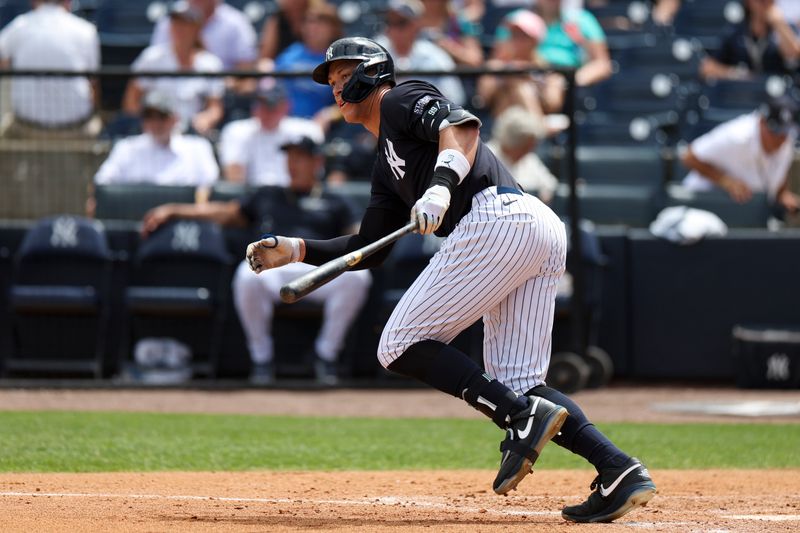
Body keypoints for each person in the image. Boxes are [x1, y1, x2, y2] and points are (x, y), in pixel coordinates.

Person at [245, 36, 656, 523]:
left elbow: (462, 127)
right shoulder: (386, 162)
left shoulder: (398, 98)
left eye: (343, 76)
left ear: (373, 73)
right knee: (519, 381)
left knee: (397, 343)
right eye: (331, 81)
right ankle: (616, 468)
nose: (336, 88)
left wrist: (440, 189)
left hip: (498, 217)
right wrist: (294, 251)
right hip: (530, 228)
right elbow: (368, 249)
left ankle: (520, 418)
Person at [142, 133, 371, 385]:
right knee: (246, 274)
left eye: (300, 158)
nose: (292, 164)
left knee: (359, 275)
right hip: (275, 267)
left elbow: (358, 236)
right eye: (289, 157)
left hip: (318, 269)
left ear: (317, 162)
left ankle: (325, 354)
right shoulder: (269, 195)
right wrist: (173, 210)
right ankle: (261, 358)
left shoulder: (335, 199)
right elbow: (226, 213)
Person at [88, 90, 219, 216]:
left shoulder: (197, 148)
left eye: (161, 117)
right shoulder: (127, 148)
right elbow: (101, 182)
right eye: (149, 117)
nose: (155, 123)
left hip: (182, 225)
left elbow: (210, 186)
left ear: (175, 118)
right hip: (135, 221)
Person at [682, 94, 800, 215]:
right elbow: (689, 157)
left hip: (749, 213)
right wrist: (726, 181)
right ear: (762, 122)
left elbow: (779, 173)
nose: (781, 139)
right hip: (703, 208)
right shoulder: (737, 136)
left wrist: (782, 195)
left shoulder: (786, 141)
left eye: (785, 133)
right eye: (777, 133)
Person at [0, 0, 101, 139]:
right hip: (72, 127)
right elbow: (93, 83)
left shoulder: (19, 26)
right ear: (68, 2)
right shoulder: (86, 30)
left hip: (33, 127)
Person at [123, 1, 225, 136]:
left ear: (196, 28)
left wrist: (205, 118)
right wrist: (150, 122)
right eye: (176, 23)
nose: (179, 29)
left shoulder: (210, 63)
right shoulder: (152, 58)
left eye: (185, 24)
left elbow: (215, 107)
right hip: (155, 132)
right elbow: (131, 101)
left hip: (192, 133)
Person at [218, 81, 324, 186]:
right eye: (260, 105)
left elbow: (314, 173)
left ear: (286, 106)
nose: (264, 111)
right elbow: (234, 177)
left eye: (271, 106)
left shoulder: (306, 130)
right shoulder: (236, 131)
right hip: (252, 195)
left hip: (291, 196)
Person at [375, 0, 466, 106]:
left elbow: (454, 98)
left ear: (416, 25)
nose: (393, 29)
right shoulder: (375, 52)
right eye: (389, 22)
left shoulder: (435, 56)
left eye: (401, 22)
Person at [535, 0, 613, 113]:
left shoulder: (582, 21)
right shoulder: (518, 21)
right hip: (529, 77)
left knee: (554, 83)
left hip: (563, 78)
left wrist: (573, 80)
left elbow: (602, 64)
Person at [272, 2, 342, 121]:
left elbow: (353, 101)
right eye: (309, 21)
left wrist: (330, 114)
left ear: (333, 29)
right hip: (284, 121)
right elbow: (273, 89)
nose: (313, 27)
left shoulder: (339, 60)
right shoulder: (290, 54)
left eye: (321, 22)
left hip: (320, 125)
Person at [478, 8, 553, 119]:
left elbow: (553, 104)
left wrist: (529, 81)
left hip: (533, 123)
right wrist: (507, 74)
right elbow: (484, 98)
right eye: (513, 34)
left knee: (520, 87)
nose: (515, 40)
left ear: (535, 41)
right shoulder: (495, 65)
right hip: (502, 124)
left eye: (522, 36)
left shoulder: (545, 69)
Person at [700, 0, 800, 81]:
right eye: (760, 1)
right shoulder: (735, 32)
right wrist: (734, 74)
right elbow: (707, 68)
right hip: (744, 96)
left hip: (777, 95)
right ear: (749, 2)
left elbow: (793, 54)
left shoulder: (785, 29)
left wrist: (779, 23)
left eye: (769, 1)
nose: (765, 5)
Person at [150, 0, 257, 71]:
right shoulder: (169, 20)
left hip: (224, 92)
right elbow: (156, 60)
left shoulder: (237, 21)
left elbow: (246, 70)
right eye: (179, 28)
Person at [486, 106, 558, 204]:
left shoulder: (529, 159)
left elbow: (549, 183)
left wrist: (545, 194)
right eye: (527, 146)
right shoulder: (487, 157)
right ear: (515, 141)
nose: (530, 150)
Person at [417, 0, 484, 67]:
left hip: (450, 74)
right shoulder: (410, 20)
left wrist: (448, 47)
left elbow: (475, 60)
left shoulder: (460, 21)